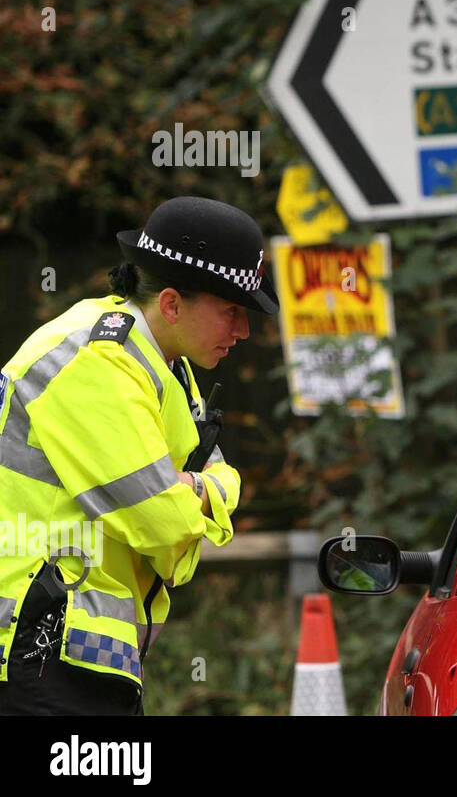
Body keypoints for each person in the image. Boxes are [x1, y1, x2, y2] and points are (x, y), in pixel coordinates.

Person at [0, 196, 278, 714]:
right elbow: (165, 526)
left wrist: (192, 488)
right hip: (40, 645)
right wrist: (197, 492)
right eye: (231, 311)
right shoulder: (96, 361)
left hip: (81, 650)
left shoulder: (160, 362)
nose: (243, 332)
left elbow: (216, 476)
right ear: (171, 304)